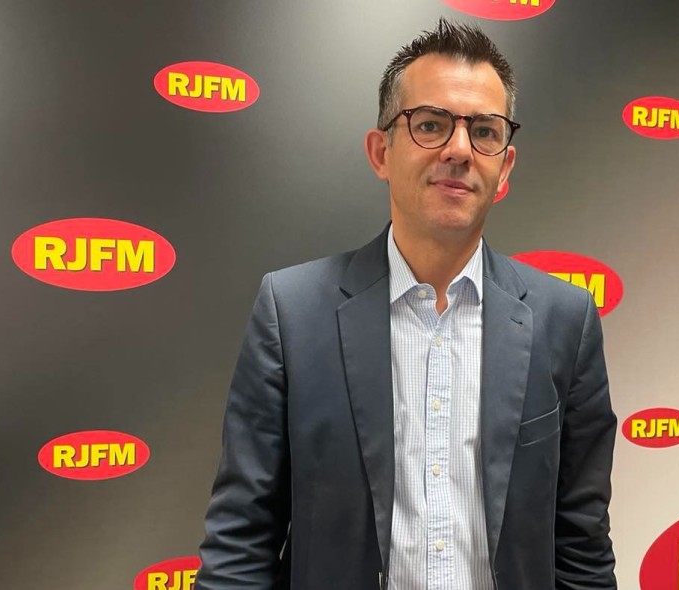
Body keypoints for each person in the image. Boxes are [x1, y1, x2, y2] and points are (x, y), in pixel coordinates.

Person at [194, 19, 617, 590]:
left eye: (484, 132)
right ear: (381, 151)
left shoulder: (564, 321)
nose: (460, 150)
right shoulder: (292, 314)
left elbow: (582, 549)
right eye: (431, 124)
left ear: (505, 167)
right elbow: (240, 543)